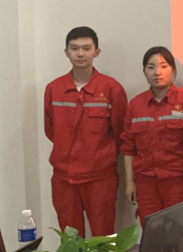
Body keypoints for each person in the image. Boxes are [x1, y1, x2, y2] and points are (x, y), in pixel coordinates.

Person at [44, 26, 127, 237]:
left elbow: (121, 133)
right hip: (64, 178)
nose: (80, 54)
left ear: (96, 52)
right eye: (74, 48)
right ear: (66, 52)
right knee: (70, 241)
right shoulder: (54, 89)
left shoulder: (112, 89)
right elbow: (50, 129)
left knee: (104, 238)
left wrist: (99, 157)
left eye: (86, 48)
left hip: (100, 177)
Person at [121, 46, 183, 243]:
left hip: (179, 182)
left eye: (163, 66)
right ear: (144, 72)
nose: (157, 72)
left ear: (173, 70)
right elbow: (128, 147)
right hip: (146, 183)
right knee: (152, 238)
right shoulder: (135, 105)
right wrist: (130, 182)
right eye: (151, 67)